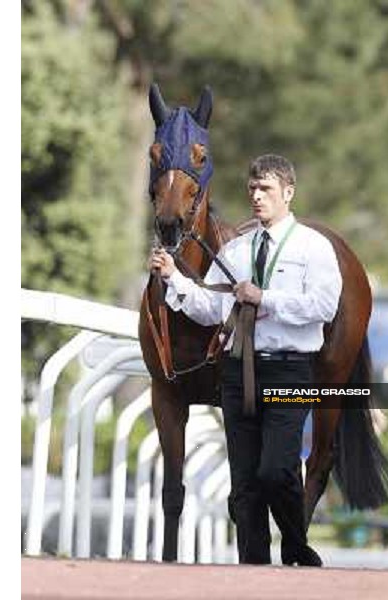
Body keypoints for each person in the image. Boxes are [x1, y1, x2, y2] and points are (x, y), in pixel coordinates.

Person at [149, 154, 342, 566]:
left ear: (288, 193)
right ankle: (252, 569)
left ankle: (294, 543)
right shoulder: (236, 250)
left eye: (266, 189)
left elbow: (324, 307)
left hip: (291, 372)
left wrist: (264, 298)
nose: (257, 196)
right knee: (244, 486)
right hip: (239, 370)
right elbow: (211, 307)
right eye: (252, 189)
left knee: (277, 471)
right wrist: (174, 279)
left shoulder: (315, 248)